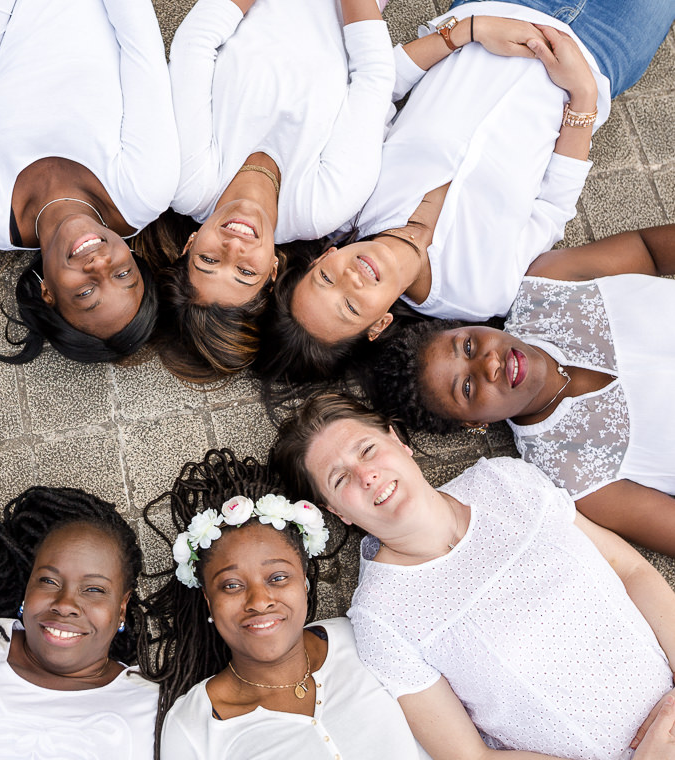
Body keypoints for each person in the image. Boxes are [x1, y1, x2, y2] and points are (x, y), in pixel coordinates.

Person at [272, 0, 675, 379]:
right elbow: (552, 206)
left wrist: (468, 31)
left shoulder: (345, 200)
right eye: (350, 307)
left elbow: (376, 90)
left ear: (324, 256)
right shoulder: (477, 295)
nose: (351, 279)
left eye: (325, 279)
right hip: (602, 50)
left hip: (496, 7)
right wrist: (583, 94)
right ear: (379, 324)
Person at [271, 392, 675, 760]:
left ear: (399, 442)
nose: (367, 476)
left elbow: (631, 568)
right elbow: (470, 757)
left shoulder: (506, 482)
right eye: (340, 479)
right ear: (338, 512)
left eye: (368, 449)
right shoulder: (382, 618)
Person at [361, 224, 675, 555]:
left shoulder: (551, 284)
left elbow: (648, 250)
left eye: (467, 346)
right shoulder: (573, 474)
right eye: (467, 388)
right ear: (474, 423)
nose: (490, 365)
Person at [152, 0, 393, 381]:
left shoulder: (189, 182)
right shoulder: (322, 205)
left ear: (190, 244)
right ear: (273, 270)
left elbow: (196, 45)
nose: (233, 248)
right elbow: (374, 77)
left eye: (209, 261)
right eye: (245, 271)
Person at [138, 448, 422, 759]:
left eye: (277, 578)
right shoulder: (194, 725)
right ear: (208, 600)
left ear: (304, 580)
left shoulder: (362, 637)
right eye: (231, 585)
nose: (259, 602)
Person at [0, 0, 177, 364]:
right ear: (135, 259)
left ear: (47, 293)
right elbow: (139, 48)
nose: (99, 264)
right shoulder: (144, 189)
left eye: (86, 292)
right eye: (123, 273)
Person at [0, 486, 158, 758]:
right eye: (48, 581)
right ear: (28, 585)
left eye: (93, 589)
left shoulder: (150, 707)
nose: (65, 604)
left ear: (121, 608)